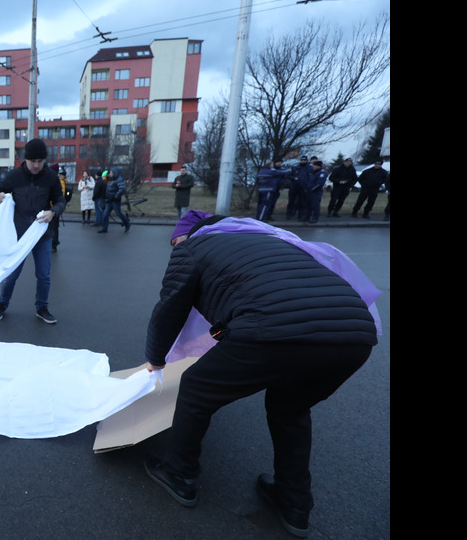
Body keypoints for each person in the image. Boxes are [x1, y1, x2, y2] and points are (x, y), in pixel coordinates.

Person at [144, 210, 379, 538]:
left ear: (188, 235)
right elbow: (260, 295)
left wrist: (155, 359)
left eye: (175, 241)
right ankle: (294, 503)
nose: (174, 247)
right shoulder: (272, 241)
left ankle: (179, 474)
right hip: (355, 335)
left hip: (275, 332)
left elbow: (169, 308)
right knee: (290, 410)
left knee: (197, 388)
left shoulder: (191, 250)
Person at [0, 138, 65, 324]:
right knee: (11, 274)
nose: (37, 165)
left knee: (44, 275)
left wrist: (53, 212)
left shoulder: (51, 177)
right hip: (19, 235)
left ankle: (42, 308)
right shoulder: (15, 176)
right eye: (33, 162)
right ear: (26, 160)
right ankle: (1, 305)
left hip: (42, 235)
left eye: (41, 161)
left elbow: (61, 201)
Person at [98, 168, 130, 233]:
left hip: (115, 201)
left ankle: (127, 224)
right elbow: (105, 180)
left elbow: (122, 188)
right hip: (109, 200)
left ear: (114, 173)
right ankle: (105, 228)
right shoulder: (110, 179)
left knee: (118, 214)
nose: (110, 174)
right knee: (105, 214)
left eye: (111, 173)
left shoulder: (119, 179)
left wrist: (116, 196)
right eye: (109, 173)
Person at [49, 165, 70, 252]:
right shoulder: (57, 180)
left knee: (54, 226)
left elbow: (60, 195)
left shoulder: (59, 181)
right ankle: (53, 243)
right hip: (53, 206)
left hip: (54, 206)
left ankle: (54, 244)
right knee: (53, 226)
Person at [284, 156, 309, 220]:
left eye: (304, 160)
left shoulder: (309, 168)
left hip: (303, 187)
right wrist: (294, 178)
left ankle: (300, 215)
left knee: (302, 202)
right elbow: (288, 175)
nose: (303, 161)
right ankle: (289, 214)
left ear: (306, 161)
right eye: (302, 160)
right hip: (294, 186)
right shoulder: (295, 167)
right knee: (291, 201)